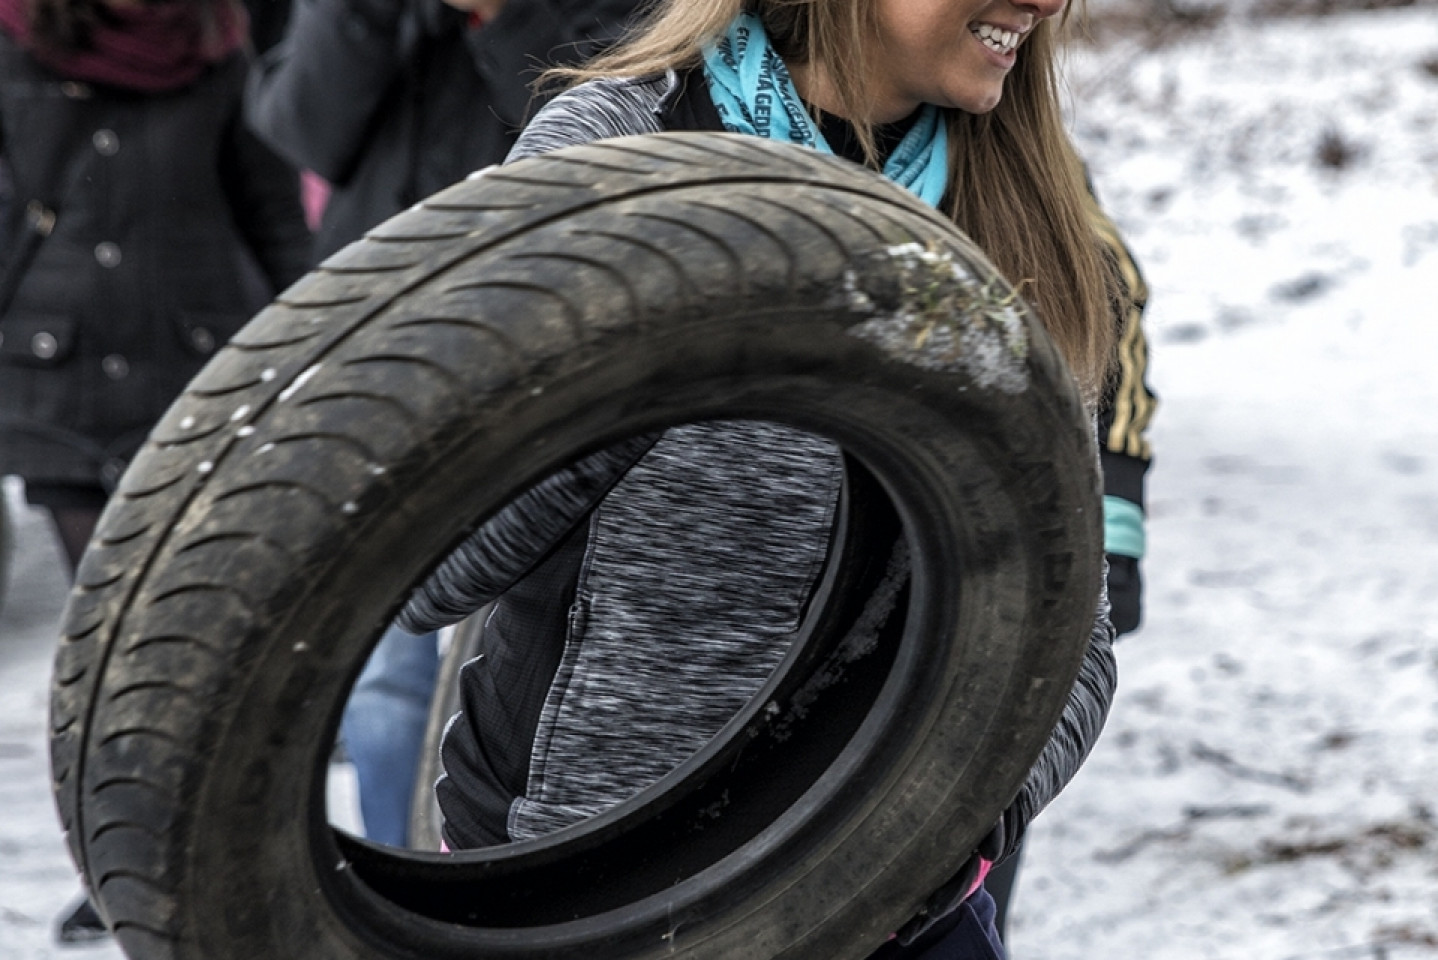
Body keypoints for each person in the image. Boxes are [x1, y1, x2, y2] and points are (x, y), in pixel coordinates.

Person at [396, 0, 1132, 954]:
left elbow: (1076, 639)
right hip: (575, 897)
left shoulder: (1013, 209)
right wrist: (653, 367)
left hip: (886, 915)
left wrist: (950, 826)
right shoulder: (619, 147)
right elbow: (431, 564)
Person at [242, 0, 646, 848]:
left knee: (507, 637)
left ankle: (479, 874)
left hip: (536, 341)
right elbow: (301, 130)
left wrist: (499, 16)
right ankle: (396, 880)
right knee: (382, 662)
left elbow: (604, 120)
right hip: (376, 336)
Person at [0, 0, 311, 941]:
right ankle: (115, 865)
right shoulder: (14, 37)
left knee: (193, 642)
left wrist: (319, 341)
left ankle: (192, 854)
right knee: (106, 648)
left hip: (198, 375)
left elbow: (267, 205)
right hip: (60, 377)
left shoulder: (215, 42)